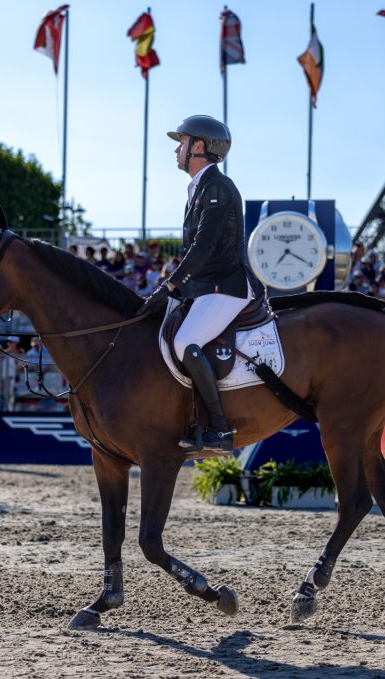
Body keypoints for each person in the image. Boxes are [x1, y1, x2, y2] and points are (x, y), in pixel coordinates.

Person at [135, 115, 263, 454]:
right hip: (205, 287)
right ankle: (190, 418)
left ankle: (219, 428)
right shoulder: (199, 188)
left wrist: (171, 286)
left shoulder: (218, 188)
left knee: (185, 341)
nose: (177, 149)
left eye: (182, 141)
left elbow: (203, 247)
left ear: (200, 147)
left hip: (226, 287)